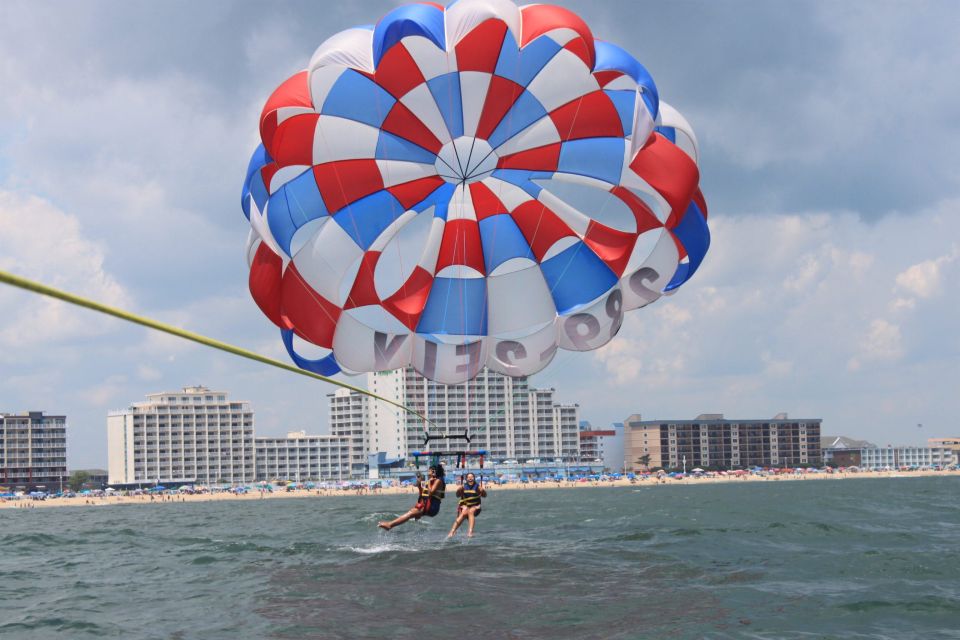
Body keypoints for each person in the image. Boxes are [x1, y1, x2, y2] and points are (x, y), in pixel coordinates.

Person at [378, 464, 446, 530]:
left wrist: (429, 481)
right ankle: (392, 526)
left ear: (434, 471)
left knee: (410, 514)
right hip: (429, 506)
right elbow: (423, 495)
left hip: (432, 507)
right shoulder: (432, 481)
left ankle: (389, 525)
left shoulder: (438, 480)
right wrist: (419, 485)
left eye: (429, 471)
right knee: (411, 513)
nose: (428, 473)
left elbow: (431, 492)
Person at [447, 472, 486, 538]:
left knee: (471, 511)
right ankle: (452, 532)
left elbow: (484, 495)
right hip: (466, 507)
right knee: (464, 513)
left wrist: (483, 491)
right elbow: (457, 495)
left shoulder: (478, 487)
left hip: (476, 507)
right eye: (468, 477)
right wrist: (459, 490)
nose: (470, 478)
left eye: (472, 477)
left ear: (474, 478)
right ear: (466, 479)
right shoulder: (463, 487)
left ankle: (470, 532)